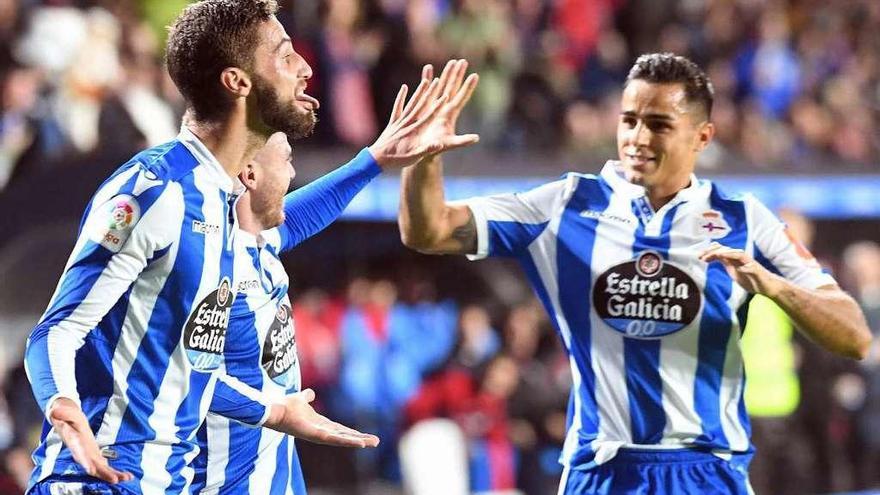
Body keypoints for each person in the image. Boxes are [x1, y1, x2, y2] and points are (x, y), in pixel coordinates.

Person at [23, 0, 478, 493]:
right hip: (97, 480)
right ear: (238, 82)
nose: (305, 69)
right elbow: (55, 331)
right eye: (284, 56)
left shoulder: (223, 206)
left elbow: (284, 227)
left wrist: (376, 159)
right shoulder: (155, 191)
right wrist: (60, 402)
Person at [398, 53, 872, 494]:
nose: (638, 138)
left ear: (702, 137)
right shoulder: (564, 206)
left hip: (706, 471)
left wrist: (773, 286)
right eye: (630, 120)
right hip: (602, 470)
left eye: (659, 124)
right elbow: (430, 230)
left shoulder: (745, 220)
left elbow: (854, 336)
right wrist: (425, 158)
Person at [188, 127, 396, 495]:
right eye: (286, 160)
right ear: (250, 174)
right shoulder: (210, 267)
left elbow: (304, 214)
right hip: (223, 484)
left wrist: (374, 160)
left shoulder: (261, 243)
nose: (293, 174)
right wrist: (274, 411)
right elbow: (183, 377)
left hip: (278, 479)